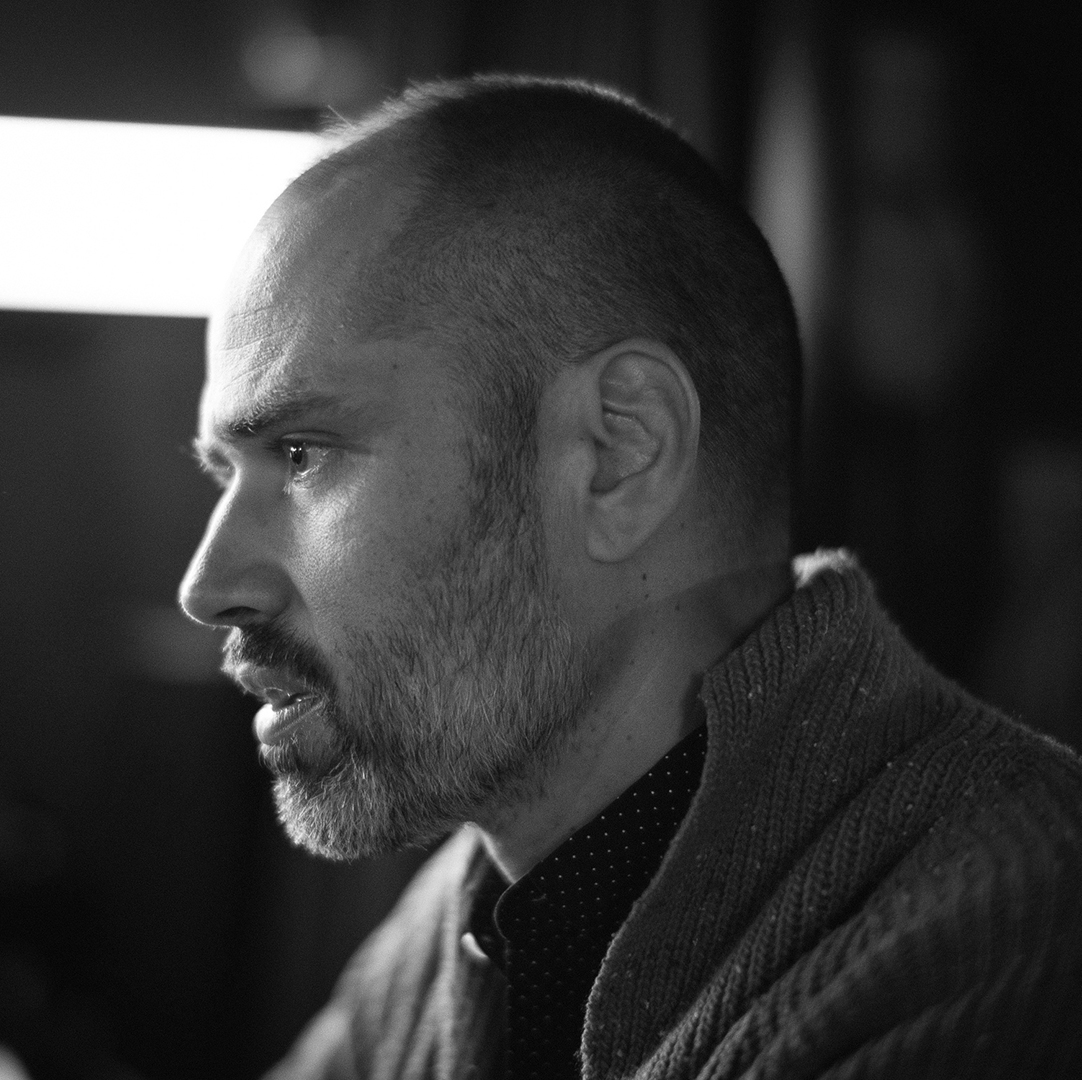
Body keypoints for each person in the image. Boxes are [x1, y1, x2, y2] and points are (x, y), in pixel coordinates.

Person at [178, 75, 1082, 1079]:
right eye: (228, 474)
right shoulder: (465, 910)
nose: (209, 584)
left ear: (618, 451)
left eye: (301, 455)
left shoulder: (1013, 918)